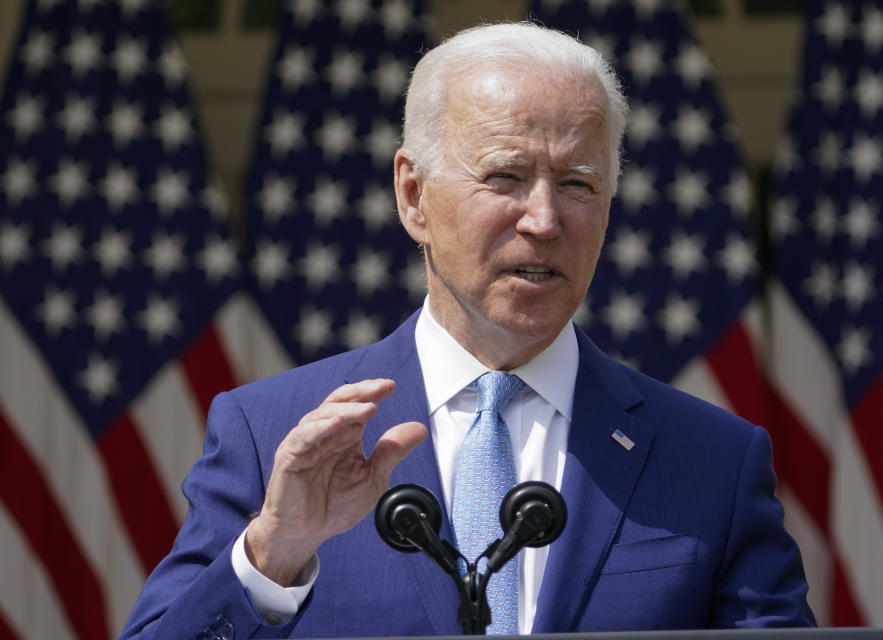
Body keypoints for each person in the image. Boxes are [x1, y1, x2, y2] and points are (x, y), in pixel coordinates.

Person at [119, 22, 814, 639]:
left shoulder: (713, 462)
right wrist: (272, 558)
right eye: (506, 176)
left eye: (577, 185)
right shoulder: (271, 434)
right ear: (413, 196)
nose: (544, 220)